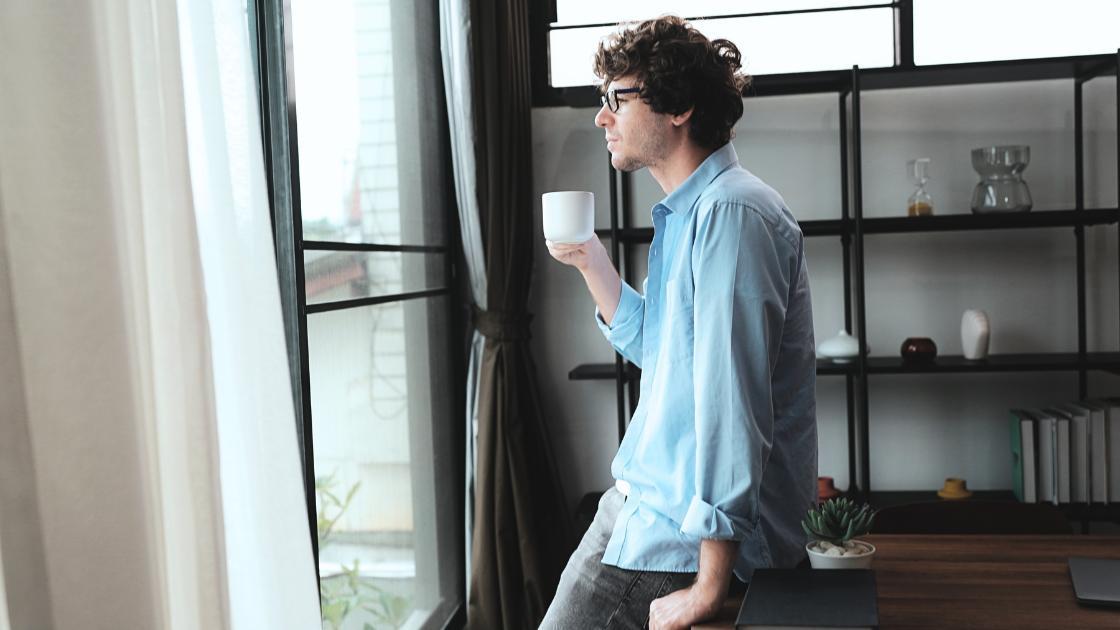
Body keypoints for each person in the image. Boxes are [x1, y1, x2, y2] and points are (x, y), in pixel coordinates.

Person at [540, 15, 818, 630]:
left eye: (618, 98)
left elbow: (731, 404)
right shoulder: (692, 214)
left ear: (679, 107)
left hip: (676, 537)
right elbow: (663, 354)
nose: (602, 117)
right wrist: (590, 260)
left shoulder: (731, 215)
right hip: (649, 511)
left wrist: (709, 586)